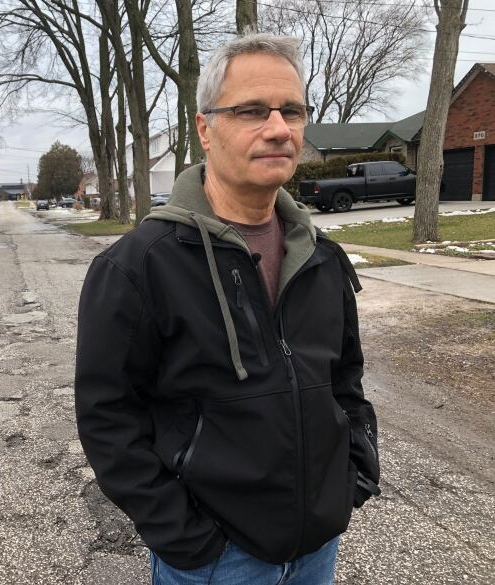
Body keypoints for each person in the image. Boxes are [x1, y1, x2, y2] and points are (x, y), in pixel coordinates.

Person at [74, 34, 380, 584]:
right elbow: (106, 417)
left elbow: (345, 379)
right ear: (205, 128)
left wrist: (354, 472)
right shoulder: (139, 266)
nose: (278, 129)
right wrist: (186, 537)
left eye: (291, 110)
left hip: (317, 547)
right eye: (252, 111)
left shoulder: (321, 257)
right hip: (218, 561)